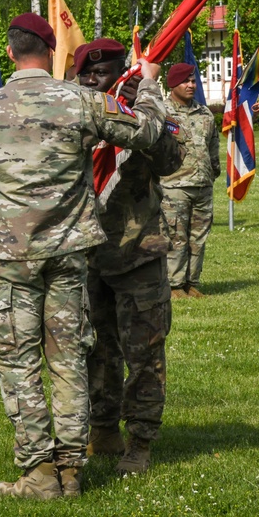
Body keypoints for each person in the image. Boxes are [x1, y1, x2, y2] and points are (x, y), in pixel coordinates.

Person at [0, 14, 166, 500]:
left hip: (9, 258)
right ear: (52, 52)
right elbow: (148, 132)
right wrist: (151, 85)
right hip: (69, 254)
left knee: (17, 361)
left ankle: (39, 471)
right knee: (68, 359)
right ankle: (71, 470)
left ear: (10, 53)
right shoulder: (81, 102)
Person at [75, 39, 185, 476]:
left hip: (138, 250)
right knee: (95, 350)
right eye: (85, 74)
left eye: (101, 75)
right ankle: (101, 428)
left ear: (125, 75)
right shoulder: (73, 111)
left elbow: (170, 160)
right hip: (86, 252)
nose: (91, 81)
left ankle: (140, 441)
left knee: (144, 353)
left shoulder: (144, 111)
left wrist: (145, 100)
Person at [160, 63, 220, 299]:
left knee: (198, 238)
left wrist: (213, 172)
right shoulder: (161, 112)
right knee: (176, 236)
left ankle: (192, 283)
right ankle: (174, 285)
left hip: (203, 185)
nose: (191, 85)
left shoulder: (204, 113)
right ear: (172, 84)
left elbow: (212, 146)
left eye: (193, 81)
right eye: (186, 81)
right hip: (174, 186)